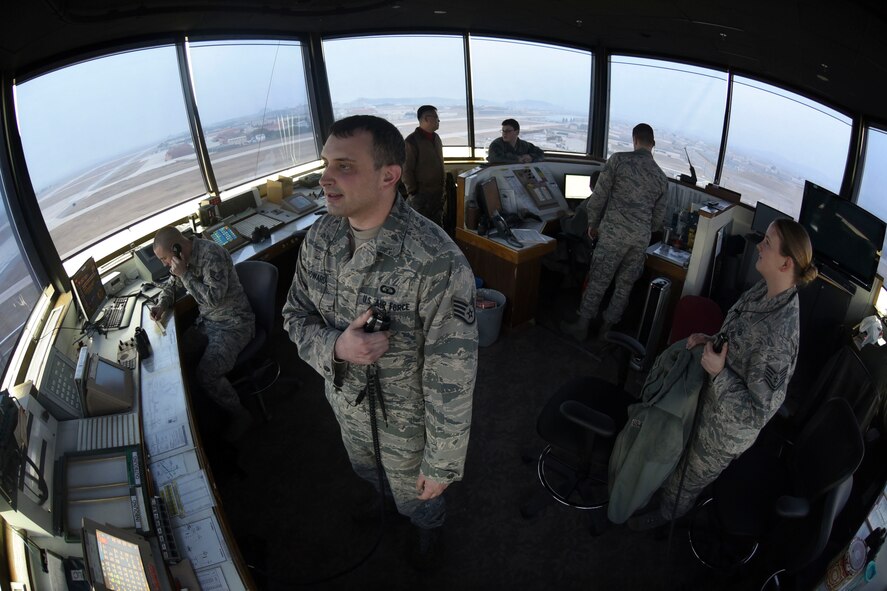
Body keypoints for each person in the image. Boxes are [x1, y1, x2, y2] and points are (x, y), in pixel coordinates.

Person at [281, 115, 478, 569]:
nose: (325, 178)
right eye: (325, 163)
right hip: (346, 403)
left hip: (408, 424)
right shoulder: (321, 238)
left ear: (389, 175)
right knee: (367, 472)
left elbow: (453, 374)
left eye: (344, 166)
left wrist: (442, 465)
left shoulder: (436, 261)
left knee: (418, 498)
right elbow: (294, 316)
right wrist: (335, 346)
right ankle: (382, 497)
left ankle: (428, 527)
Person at [629, 219, 818, 530]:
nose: (759, 246)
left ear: (786, 262)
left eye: (767, 243)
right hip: (706, 401)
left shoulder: (780, 339)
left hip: (722, 432)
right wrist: (710, 339)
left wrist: (719, 375)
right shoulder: (764, 291)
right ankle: (654, 496)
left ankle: (666, 516)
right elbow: (735, 335)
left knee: (683, 482)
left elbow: (756, 415)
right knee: (669, 458)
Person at [560, 123, 668, 341]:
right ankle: (606, 332)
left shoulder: (619, 160)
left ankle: (582, 327)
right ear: (653, 144)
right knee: (624, 288)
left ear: (634, 139)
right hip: (639, 242)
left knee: (598, 281)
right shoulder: (661, 178)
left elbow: (598, 197)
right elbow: (657, 222)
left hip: (613, 236)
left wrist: (592, 225)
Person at [150, 226, 255, 440]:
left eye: (164, 258)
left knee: (206, 374)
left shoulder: (211, 255)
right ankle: (200, 412)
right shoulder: (181, 259)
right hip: (208, 322)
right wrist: (161, 305)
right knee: (178, 355)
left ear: (176, 248)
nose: (164, 264)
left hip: (234, 324)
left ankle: (241, 415)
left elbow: (213, 299)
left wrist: (185, 274)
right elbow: (171, 283)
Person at [402, 105, 446, 226]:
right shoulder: (411, 141)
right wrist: (413, 191)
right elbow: (406, 170)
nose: (439, 121)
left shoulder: (436, 138)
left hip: (437, 195)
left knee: (437, 227)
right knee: (419, 228)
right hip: (421, 197)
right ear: (427, 119)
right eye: (436, 118)